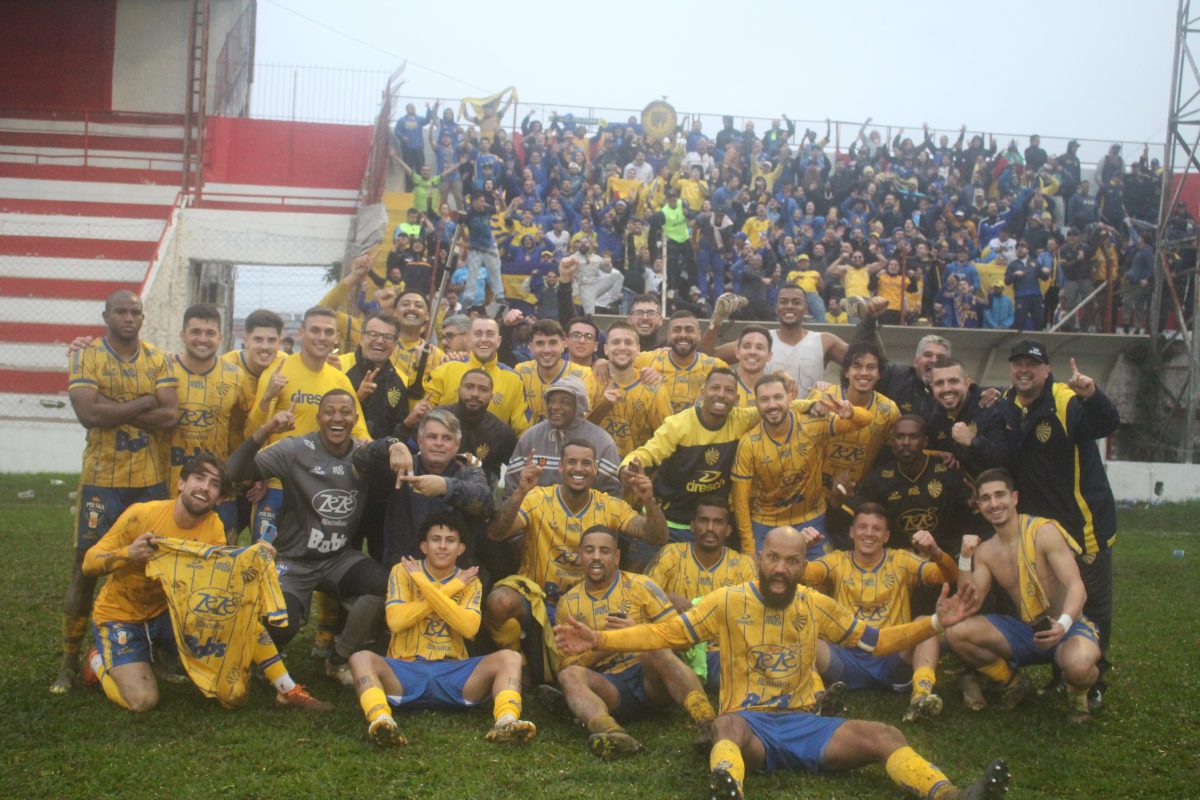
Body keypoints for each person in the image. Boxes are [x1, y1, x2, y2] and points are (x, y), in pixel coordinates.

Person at [555, 526, 1007, 800]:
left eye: (792, 561)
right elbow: (664, 633)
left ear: (802, 565)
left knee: (885, 734)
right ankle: (727, 787)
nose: (780, 568)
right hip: (752, 728)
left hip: (807, 723)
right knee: (726, 726)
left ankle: (948, 793)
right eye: (772, 557)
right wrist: (599, 637)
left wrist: (933, 623)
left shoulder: (815, 603)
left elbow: (880, 641)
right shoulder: (727, 601)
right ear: (759, 558)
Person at [81, 454, 329, 712]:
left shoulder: (213, 528)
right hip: (120, 616)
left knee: (240, 619)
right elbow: (88, 563)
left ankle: (286, 689)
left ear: (220, 498)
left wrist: (254, 561)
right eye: (199, 479)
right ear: (181, 483)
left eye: (214, 485)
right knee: (143, 701)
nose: (204, 488)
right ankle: (97, 662)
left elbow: (223, 585)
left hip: (170, 613)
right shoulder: (141, 515)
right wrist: (127, 554)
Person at [55, 290, 180, 694]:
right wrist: (144, 401)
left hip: (148, 480)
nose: (129, 318)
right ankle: (69, 660)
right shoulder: (85, 355)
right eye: (121, 311)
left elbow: (170, 417)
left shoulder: (157, 357)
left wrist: (114, 406)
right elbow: (87, 414)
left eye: (136, 312)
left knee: (153, 567)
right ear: (105, 314)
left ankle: (152, 653)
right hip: (100, 480)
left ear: (143, 317)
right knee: (86, 567)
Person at [227, 391, 395, 685]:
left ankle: (339, 658)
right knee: (282, 625)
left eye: (346, 412)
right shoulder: (294, 449)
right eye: (329, 411)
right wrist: (265, 430)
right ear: (318, 419)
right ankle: (262, 658)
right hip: (292, 561)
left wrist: (397, 446)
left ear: (356, 419)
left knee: (383, 585)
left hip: (337, 558)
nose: (337, 418)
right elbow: (233, 472)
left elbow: (403, 460)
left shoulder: (364, 455)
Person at [994, 340, 1119, 708]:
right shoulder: (1007, 402)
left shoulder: (1065, 399)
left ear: (1046, 370)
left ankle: (1095, 677)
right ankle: (1060, 674)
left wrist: (1093, 394)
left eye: (1031, 365)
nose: (1023, 371)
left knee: (1092, 606)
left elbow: (1105, 423)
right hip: (1042, 532)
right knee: (1054, 600)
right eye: (1017, 364)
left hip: (1084, 525)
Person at [347, 512, 537, 747]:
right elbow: (396, 621)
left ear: (461, 548)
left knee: (510, 658)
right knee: (360, 658)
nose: (443, 546)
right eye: (436, 539)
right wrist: (450, 589)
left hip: (454, 673)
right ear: (424, 546)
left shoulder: (470, 581)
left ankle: (506, 721)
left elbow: (468, 628)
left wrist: (427, 584)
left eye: (450, 540)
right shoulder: (404, 571)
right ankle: (381, 720)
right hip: (407, 669)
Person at [484, 441, 666, 678]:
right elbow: (496, 533)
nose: (578, 468)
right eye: (571, 462)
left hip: (584, 606)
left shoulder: (609, 505)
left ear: (596, 469)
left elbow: (656, 536)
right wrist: (520, 492)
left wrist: (649, 502)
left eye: (585, 463)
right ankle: (519, 663)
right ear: (560, 467)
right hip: (537, 598)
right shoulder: (537, 498)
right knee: (499, 602)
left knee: (615, 625)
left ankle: (585, 675)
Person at [945, 469, 1102, 723]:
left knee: (1079, 665)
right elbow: (968, 602)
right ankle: (1015, 682)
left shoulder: (1043, 532)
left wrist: (1062, 625)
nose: (994, 504)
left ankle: (1079, 694)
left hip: (1067, 627)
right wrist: (964, 557)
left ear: (1015, 498)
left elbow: (1077, 587)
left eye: (1000, 495)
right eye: (985, 498)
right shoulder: (985, 550)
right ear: (979, 505)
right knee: (956, 632)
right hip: (1026, 632)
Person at [552, 526, 717, 759]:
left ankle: (708, 722)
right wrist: (599, 647)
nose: (597, 557)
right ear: (580, 555)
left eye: (605, 551)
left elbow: (683, 640)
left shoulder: (642, 585)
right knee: (569, 676)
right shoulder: (568, 604)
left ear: (617, 557)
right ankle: (612, 734)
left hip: (652, 681)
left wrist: (637, 634)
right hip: (613, 688)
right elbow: (564, 666)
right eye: (589, 550)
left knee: (655, 649)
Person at [807, 504, 960, 723]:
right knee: (805, 631)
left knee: (926, 624)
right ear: (851, 532)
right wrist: (799, 548)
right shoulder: (836, 560)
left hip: (894, 659)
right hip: (847, 660)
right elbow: (800, 573)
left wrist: (936, 553)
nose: (869, 533)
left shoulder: (901, 560)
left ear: (887, 536)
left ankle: (920, 698)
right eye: (862, 527)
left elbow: (949, 576)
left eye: (876, 529)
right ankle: (818, 699)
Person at [732, 374, 870, 556]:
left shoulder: (812, 424)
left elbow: (865, 420)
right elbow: (740, 502)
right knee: (761, 576)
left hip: (812, 517)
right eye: (764, 399)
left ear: (790, 398)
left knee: (821, 574)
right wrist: (748, 547)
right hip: (766, 521)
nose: (772, 405)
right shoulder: (748, 443)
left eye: (778, 397)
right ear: (756, 403)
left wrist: (851, 412)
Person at [354, 407, 494, 570]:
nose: (438, 443)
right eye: (432, 436)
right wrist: (392, 445)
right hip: (402, 571)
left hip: (453, 575)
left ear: (457, 445)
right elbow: (359, 459)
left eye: (447, 438)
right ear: (420, 440)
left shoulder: (468, 469)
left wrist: (445, 487)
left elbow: (487, 504)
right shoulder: (402, 465)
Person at [827, 415, 982, 558]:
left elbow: (972, 517)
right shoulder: (878, 479)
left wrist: (974, 505)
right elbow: (840, 523)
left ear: (925, 442)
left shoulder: (947, 473)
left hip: (943, 558)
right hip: (896, 562)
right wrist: (836, 499)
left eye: (913, 436)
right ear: (892, 442)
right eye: (900, 437)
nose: (906, 442)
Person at [646, 496, 758, 689]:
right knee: (653, 653)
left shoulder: (743, 565)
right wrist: (668, 598)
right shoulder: (670, 554)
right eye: (703, 521)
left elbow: (755, 618)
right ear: (692, 526)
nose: (710, 528)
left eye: (718, 522)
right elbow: (640, 598)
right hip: (676, 649)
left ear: (728, 529)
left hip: (721, 653)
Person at [164, 303, 253, 542]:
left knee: (221, 556)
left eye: (210, 333)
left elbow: (248, 426)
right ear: (183, 335)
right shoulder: (162, 368)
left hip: (217, 485)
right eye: (195, 332)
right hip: (169, 482)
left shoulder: (235, 376)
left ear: (220, 337)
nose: (202, 339)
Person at [706, 287, 850, 397]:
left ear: (806, 309)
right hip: (765, 421)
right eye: (783, 302)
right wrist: (716, 320)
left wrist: (868, 320)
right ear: (776, 308)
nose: (789, 306)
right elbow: (705, 360)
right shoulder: (759, 339)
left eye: (796, 302)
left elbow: (864, 362)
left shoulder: (824, 341)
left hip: (808, 424)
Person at [503, 376, 622, 496]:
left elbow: (613, 493)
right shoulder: (530, 438)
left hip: (588, 513)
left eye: (564, 402)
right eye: (551, 401)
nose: (554, 407)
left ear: (579, 406)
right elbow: (511, 488)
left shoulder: (602, 442)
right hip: (536, 513)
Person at [818, 341, 900, 497]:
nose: (863, 372)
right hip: (813, 493)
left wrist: (934, 454)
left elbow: (902, 447)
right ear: (846, 372)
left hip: (857, 496)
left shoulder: (889, 411)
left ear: (879, 374)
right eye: (857, 366)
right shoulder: (823, 397)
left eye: (871, 367)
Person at [424, 316, 528, 434]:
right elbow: (425, 416)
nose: (483, 339)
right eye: (478, 334)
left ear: (499, 341)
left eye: (489, 334)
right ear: (468, 340)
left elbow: (520, 430)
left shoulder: (513, 380)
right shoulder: (444, 371)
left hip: (494, 450)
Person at [588, 321, 668, 458]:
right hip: (593, 472)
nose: (622, 347)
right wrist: (602, 405)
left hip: (637, 472)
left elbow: (666, 438)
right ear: (606, 349)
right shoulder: (590, 381)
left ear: (638, 349)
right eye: (616, 342)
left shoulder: (654, 387)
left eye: (628, 342)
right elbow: (576, 431)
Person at [926, 359, 1015, 478]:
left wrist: (973, 442)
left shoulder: (990, 409)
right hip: (957, 493)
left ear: (967, 384)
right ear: (932, 387)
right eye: (939, 383)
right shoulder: (933, 418)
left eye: (953, 381)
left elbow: (1004, 462)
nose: (946, 388)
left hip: (990, 493)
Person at [635, 309, 728, 416]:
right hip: (657, 432)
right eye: (677, 330)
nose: (683, 335)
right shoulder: (647, 360)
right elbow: (613, 365)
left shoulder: (716, 367)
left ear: (699, 335)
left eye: (689, 330)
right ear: (668, 335)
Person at [435, 368, 516, 485]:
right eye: (469, 387)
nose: (475, 394)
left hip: (478, 495)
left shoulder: (501, 431)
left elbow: (517, 468)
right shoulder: (438, 418)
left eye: (483, 390)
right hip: (436, 487)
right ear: (459, 390)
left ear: (491, 396)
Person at [513, 318, 597, 426]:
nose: (547, 350)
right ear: (531, 347)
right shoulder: (520, 371)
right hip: (529, 440)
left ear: (564, 344)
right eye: (540, 343)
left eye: (553, 343)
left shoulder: (584, 374)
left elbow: (583, 420)